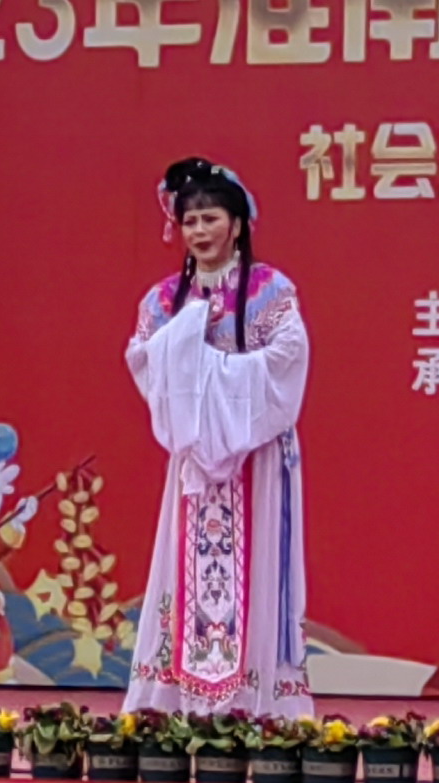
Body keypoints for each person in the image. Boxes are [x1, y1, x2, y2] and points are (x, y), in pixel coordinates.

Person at [122, 157, 314, 719]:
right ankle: (179, 697)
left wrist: (207, 370)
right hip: (194, 461)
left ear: (237, 223)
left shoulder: (269, 289)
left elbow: (288, 357)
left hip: (256, 456)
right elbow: (141, 358)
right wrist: (182, 354)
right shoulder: (164, 299)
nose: (200, 231)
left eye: (211, 219)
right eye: (190, 221)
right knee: (184, 568)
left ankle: (255, 698)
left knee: (257, 569)